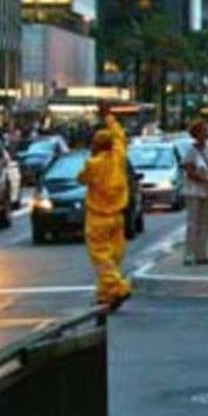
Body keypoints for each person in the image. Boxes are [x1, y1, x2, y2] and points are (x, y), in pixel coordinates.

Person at [78, 107, 131, 311]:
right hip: (117, 216)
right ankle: (105, 294)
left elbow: (81, 179)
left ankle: (118, 288)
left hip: (98, 217)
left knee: (101, 258)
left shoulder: (93, 164)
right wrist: (109, 117)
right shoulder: (119, 156)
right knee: (113, 257)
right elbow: (119, 135)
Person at [182, 119, 208, 265]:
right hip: (194, 191)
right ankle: (189, 255)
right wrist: (205, 179)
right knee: (193, 222)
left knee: (205, 223)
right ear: (197, 134)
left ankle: (202, 254)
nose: (207, 133)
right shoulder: (191, 150)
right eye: (204, 130)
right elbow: (189, 171)